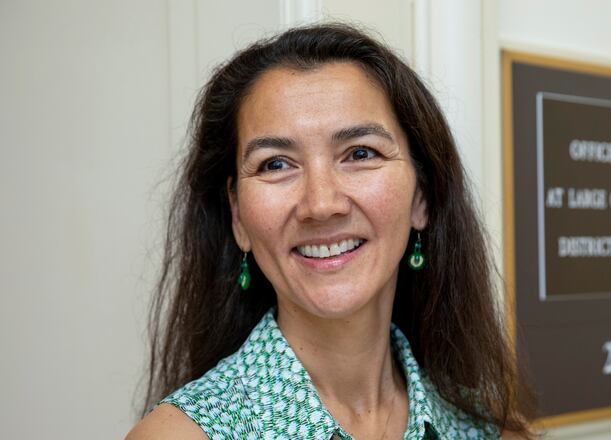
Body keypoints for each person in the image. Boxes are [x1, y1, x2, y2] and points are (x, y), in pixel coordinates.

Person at [126, 23, 538, 440]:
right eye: (275, 164)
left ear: (422, 197)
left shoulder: (492, 431)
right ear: (237, 216)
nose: (321, 205)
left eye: (360, 153)